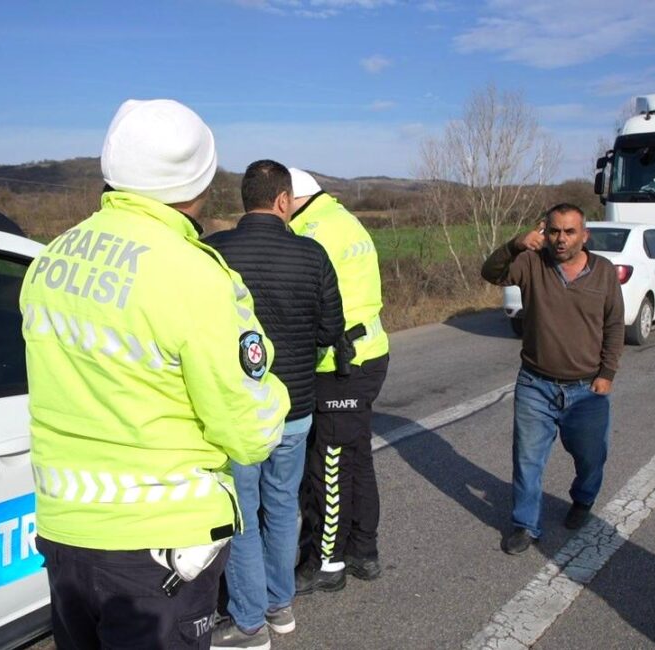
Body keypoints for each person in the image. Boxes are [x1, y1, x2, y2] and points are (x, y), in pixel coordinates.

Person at [20, 99, 290, 649]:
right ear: (202, 180)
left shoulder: (50, 260)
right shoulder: (195, 276)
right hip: (160, 551)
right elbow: (252, 430)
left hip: (65, 535)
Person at [203, 160, 344, 649]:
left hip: (235, 411)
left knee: (242, 513)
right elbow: (330, 330)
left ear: (246, 200)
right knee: (282, 506)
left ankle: (248, 624)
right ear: (284, 201)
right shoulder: (312, 255)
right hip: (295, 407)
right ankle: (278, 607)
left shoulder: (212, 253)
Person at [480, 203, 624, 554]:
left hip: (587, 389)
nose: (561, 239)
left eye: (569, 232)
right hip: (535, 384)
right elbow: (491, 272)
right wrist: (516, 244)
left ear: (584, 235)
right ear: (545, 231)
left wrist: (607, 374)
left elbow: (614, 324)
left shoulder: (603, 271)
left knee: (591, 457)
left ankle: (583, 500)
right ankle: (525, 525)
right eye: (554, 231)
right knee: (527, 458)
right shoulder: (532, 263)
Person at [287, 168, 390, 593]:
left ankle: (327, 563)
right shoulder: (343, 218)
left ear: (290, 198)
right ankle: (364, 551)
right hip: (368, 353)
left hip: (339, 363)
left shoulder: (310, 231)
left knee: (328, 465)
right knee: (355, 458)